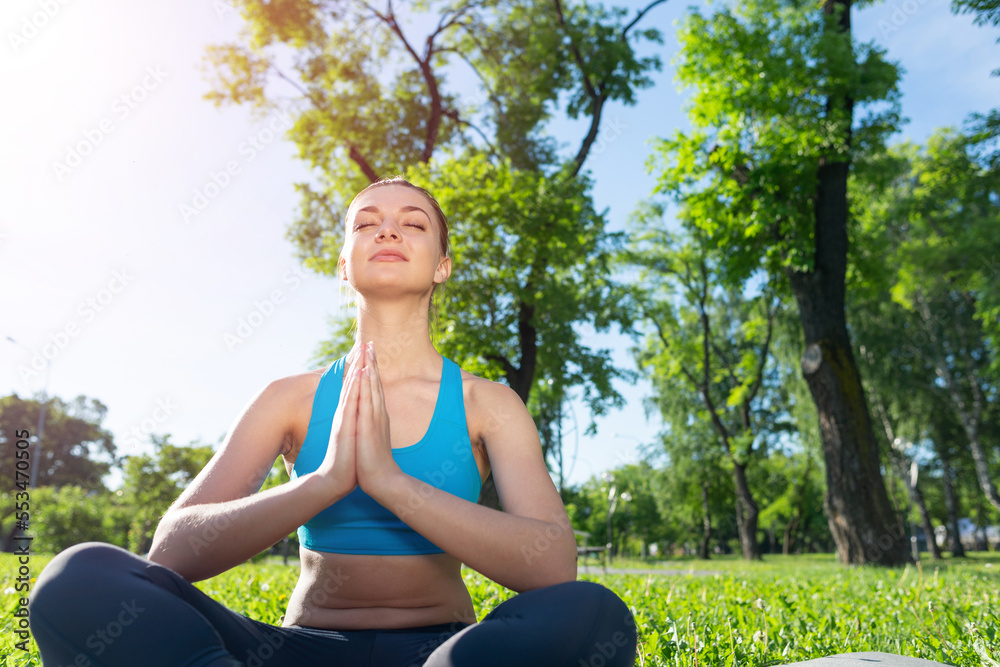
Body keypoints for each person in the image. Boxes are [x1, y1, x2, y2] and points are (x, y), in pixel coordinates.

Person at [29, 177, 638, 667]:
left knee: (594, 612)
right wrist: (320, 482)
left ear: (442, 266)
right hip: (296, 651)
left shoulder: (488, 404)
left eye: (413, 223)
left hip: (449, 652)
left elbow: (553, 566)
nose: (389, 229)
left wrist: (392, 484)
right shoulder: (289, 399)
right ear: (344, 266)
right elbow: (173, 552)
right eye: (367, 224)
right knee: (77, 577)